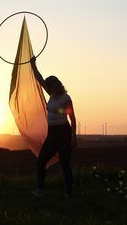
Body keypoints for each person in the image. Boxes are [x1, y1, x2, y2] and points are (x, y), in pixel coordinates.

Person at [30, 56, 77, 200]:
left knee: (65, 165)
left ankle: (68, 195)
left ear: (57, 85)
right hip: (52, 133)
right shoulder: (51, 94)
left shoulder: (65, 98)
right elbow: (39, 78)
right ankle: (39, 191)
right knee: (41, 161)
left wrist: (73, 137)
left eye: (51, 86)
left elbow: (72, 117)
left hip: (64, 132)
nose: (49, 88)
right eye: (48, 86)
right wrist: (33, 64)